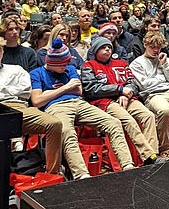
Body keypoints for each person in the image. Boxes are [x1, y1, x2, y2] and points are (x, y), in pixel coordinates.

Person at [30, 38, 136, 179]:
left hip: (79, 103)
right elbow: (37, 100)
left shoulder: (70, 69)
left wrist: (49, 93)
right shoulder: (36, 73)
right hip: (56, 107)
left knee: (113, 123)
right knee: (67, 132)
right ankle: (81, 174)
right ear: (51, 62)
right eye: (62, 64)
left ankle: (127, 165)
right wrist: (67, 87)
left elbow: (79, 91)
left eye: (67, 62)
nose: (66, 66)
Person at [81, 37, 163, 165]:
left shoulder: (121, 64)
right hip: (105, 101)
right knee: (129, 121)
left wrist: (126, 93)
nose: (107, 49)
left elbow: (133, 83)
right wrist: (119, 90)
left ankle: (153, 154)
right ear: (95, 50)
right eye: (103, 47)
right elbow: (91, 89)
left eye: (109, 47)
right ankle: (149, 156)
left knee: (148, 116)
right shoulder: (89, 66)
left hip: (127, 98)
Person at [0, 34, 63, 175]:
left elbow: (25, 91)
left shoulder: (16, 69)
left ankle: (52, 173)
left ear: (3, 50)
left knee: (54, 124)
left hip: (20, 108)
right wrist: (8, 90)